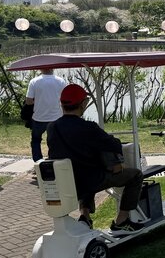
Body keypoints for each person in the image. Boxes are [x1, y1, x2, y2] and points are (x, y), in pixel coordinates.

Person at [47, 84, 146, 233]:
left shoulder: (52, 128)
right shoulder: (89, 128)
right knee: (136, 175)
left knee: (82, 172)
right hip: (91, 180)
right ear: (83, 104)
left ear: (61, 104)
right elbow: (114, 144)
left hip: (67, 183)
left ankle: (85, 216)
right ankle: (122, 221)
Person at [25, 69, 67, 162]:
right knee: (54, 141)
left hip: (38, 117)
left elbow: (28, 101)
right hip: (56, 117)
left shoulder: (34, 81)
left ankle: (38, 161)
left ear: (41, 69)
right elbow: (64, 99)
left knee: (36, 140)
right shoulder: (61, 81)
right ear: (53, 68)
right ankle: (53, 160)